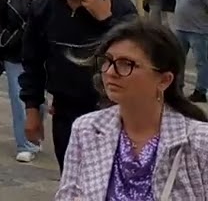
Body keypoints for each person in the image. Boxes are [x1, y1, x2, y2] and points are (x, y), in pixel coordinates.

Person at [20, 0, 138, 169]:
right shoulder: (43, 8)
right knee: (71, 178)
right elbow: (32, 62)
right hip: (65, 113)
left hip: (111, 111)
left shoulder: (119, 6)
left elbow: (136, 55)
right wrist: (33, 110)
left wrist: (107, 21)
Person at [55, 20, 208, 199]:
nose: (110, 72)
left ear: (164, 80)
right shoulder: (87, 129)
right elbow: (67, 195)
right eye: (107, 61)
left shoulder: (198, 142)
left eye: (126, 64)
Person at [0, 0, 52, 162]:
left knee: (38, 99)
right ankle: (25, 143)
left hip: (41, 54)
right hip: (14, 52)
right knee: (19, 98)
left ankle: (34, 134)